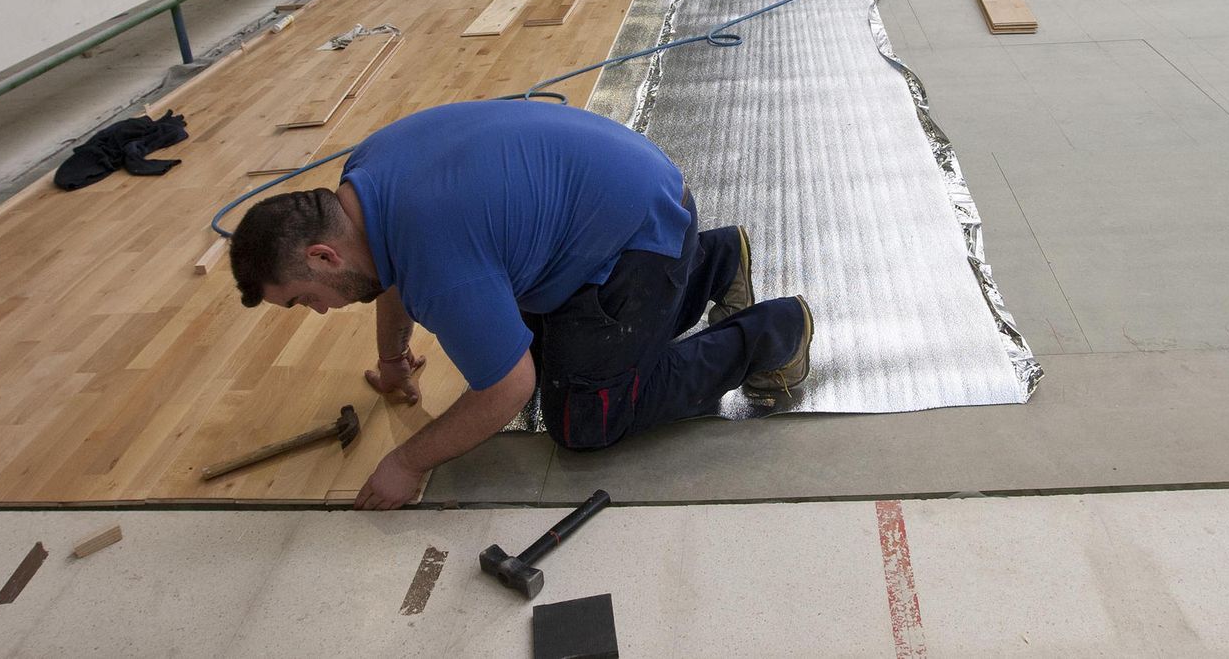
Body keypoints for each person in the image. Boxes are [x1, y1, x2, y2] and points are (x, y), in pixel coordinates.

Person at [228, 100, 814, 510]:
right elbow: (391, 272)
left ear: (327, 256)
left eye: (306, 299)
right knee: (549, 357)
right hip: (627, 192)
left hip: (639, 237)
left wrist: (407, 463)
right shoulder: (365, 179)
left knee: (586, 418)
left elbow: (508, 388)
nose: (321, 311)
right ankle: (716, 259)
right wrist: (392, 359)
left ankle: (773, 332)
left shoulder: (436, 258)